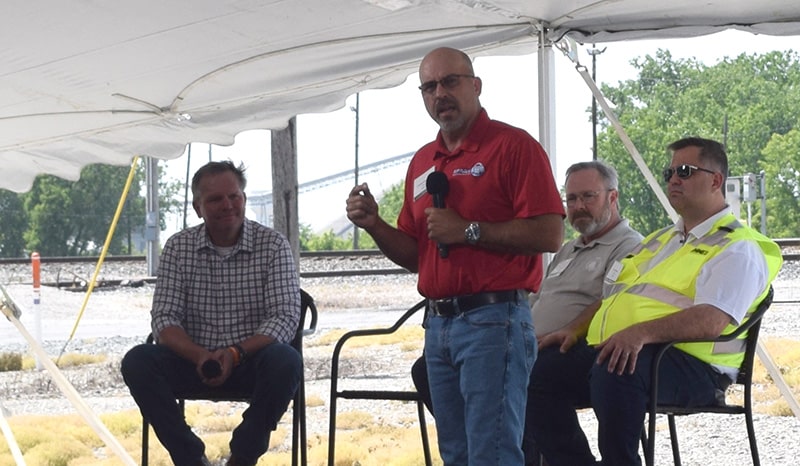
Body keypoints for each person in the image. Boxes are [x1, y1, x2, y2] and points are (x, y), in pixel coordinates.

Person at [346, 46, 565, 465]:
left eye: (450, 82)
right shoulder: (423, 163)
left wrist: (467, 230)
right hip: (438, 325)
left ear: (476, 85)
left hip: (493, 320)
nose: (439, 94)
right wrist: (374, 224)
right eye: (429, 87)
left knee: (493, 454)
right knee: (457, 456)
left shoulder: (513, 147)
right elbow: (417, 254)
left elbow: (550, 233)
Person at [528, 137, 783, 466]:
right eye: (670, 172)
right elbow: (614, 297)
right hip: (632, 353)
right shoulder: (661, 241)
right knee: (538, 373)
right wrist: (574, 330)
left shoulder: (737, 246)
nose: (674, 179)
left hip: (694, 368)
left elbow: (712, 320)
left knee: (616, 365)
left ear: (716, 180)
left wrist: (639, 334)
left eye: (685, 171)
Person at [410, 160, 644, 464]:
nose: (578, 207)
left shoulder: (630, 245)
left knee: (535, 375)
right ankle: (508, 453)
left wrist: (570, 328)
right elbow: (538, 298)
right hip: (525, 339)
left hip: (578, 346)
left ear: (612, 197)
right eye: (571, 199)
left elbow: (614, 301)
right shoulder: (568, 250)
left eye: (588, 197)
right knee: (427, 370)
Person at [121, 161, 302, 466]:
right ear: (197, 207)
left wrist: (235, 353)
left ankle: (243, 457)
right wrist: (200, 355)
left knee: (286, 360)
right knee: (137, 361)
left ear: (244, 198)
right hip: (193, 362)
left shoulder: (273, 245)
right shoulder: (178, 247)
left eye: (235, 196)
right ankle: (189, 458)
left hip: (251, 361)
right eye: (216, 199)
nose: (228, 205)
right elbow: (164, 318)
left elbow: (284, 317)